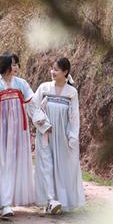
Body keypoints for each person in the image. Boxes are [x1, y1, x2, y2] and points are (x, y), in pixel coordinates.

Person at [0, 53, 37, 217]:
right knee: (1, 162)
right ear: (5, 66)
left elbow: (33, 104)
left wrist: (42, 121)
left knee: (14, 162)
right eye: (13, 64)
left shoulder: (21, 84)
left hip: (18, 131)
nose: (16, 68)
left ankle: (8, 200)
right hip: (0, 130)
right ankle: (3, 202)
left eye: (17, 64)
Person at [31, 57, 85, 214]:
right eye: (52, 69)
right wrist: (43, 124)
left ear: (65, 72)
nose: (52, 72)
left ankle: (62, 199)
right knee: (46, 165)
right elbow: (33, 107)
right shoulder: (44, 88)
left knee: (62, 167)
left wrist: (73, 137)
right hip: (45, 134)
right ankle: (50, 199)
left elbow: (74, 117)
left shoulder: (71, 92)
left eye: (56, 70)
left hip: (63, 136)